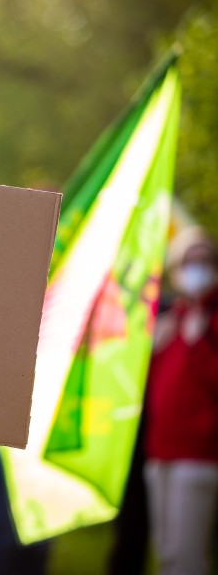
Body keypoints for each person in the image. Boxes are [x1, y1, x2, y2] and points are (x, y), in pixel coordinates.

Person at [144, 226, 218, 575]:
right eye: (190, 260)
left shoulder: (210, 323)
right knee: (168, 554)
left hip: (199, 456)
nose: (197, 268)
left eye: (205, 260)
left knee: (188, 558)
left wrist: (198, 346)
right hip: (160, 452)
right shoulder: (172, 321)